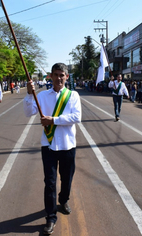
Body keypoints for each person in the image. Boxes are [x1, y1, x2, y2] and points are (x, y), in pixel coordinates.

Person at [23, 63, 82, 235]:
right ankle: (50, 217)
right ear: (50, 76)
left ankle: (63, 200)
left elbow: (76, 117)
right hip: (48, 146)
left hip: (68, 145)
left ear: (67, 77)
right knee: (49, 183)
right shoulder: (41, 96)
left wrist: (53, 120)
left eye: (62, 75)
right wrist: (28, 94)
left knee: (67, 179)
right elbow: (28, 113)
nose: (59, 78)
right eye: (55, 75)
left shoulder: (73, 95)